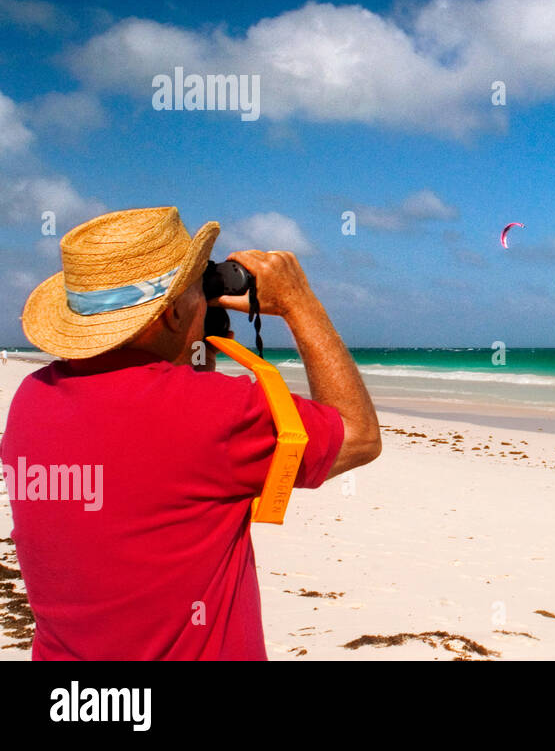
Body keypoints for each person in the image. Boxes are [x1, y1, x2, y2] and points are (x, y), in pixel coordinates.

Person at [1, 206, 381, 660]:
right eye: (198, 287)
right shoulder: (218, 413)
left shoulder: (32, 397)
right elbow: (358, 435)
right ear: (171, 316)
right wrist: (301, 304)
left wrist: (194, 328)